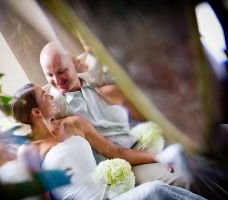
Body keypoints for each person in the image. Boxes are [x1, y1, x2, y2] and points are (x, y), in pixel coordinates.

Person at [10, 83, 204, 200]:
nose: (51, 95)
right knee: (155, 190)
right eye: (44, 96)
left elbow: (116, 151)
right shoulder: (29, 151)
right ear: (36, 112)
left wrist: (156, 157)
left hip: (111, 195)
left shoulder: (74, 124)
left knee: (167, 182)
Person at [39, 41, 187, 187]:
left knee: (196, 156)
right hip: (121, 166)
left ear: (72, 63)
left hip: (141, 139)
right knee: (184, 178)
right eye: (50, 75)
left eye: (61, 71)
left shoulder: (95, 80)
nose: (57, 80)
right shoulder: (54, 109)